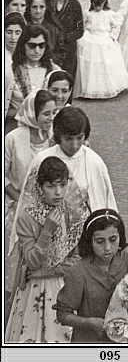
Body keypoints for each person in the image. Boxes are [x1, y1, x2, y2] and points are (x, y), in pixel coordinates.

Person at [5, 155, 88, 343]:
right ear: (40, 187)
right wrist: (47, 231)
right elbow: (31, 260)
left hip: (65, 288)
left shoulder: (74, 215)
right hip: (34, 292)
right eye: (51, 186)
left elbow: (77, 262)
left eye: (62, 185)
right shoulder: (26, 219)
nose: (58, 192)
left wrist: (41, 272)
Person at [55, 210, 128, 344]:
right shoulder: (78, 272)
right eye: (100, 241)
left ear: (120, 237)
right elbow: (63, 314)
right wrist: (88, 322)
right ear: (90, 241)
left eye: (113, 240)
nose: (107, 247)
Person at [4, 89, 56, 295]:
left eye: (53, 113)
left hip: (47, 212)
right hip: (17, 210)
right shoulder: (13, 138)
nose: (50, 118)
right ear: (33, 114)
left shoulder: (53, 137)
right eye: (46, 114)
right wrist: (19, 198)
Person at [23, 106, 117, 214]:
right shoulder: (41, 159)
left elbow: (104, 201)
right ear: (58, 136)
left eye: (79, 137)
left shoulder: (94, 161)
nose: (74, 145)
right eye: (68, 139)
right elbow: (29, 201)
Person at [74, 0, 128, 100]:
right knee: (90, 61)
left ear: (104, 3)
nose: (97, 7)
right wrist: (84, 35)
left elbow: (116, 26)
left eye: (100, 5)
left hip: (104, 37)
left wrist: (112, 37)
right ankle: (90, 88)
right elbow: (82, 25)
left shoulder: (109, 14)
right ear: (92, 3)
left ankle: (107, 87)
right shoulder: (88, 13)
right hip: (91, 37)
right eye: (95, 5)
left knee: (105, 60)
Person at [6, 23, 60, 130]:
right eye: (32, 45)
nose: (37, 51)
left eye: (41, 45)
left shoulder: (54, 71)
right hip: (18, 128)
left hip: (47, 129)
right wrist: (27, 112)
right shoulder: (9, 72)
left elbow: (61, 104)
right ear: (22, 45)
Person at [45, 0, 84, 82]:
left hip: (68, 50)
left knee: (66, 80)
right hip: (50, 47)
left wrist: (65, 36)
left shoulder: (74, 4)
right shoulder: (47, 3)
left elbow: (79, 30)